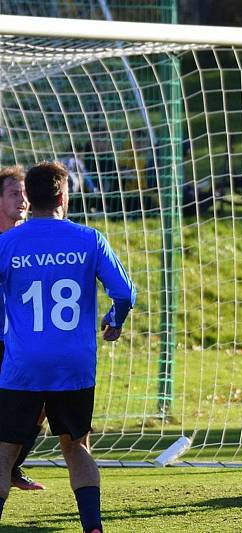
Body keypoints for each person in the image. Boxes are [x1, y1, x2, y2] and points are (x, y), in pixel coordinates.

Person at [0, 161, 136, 532]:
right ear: (63, 196)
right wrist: (115, 319)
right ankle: (92, 527)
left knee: (5, 452)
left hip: (22, 362)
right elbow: (124, 293)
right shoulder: (88, 239)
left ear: (30, 197)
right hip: (73, 364)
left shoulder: (7, 243)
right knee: (76, 446)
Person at [0, 167, 45, 491]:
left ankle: (12, 468)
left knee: (41, 405)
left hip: (24, 342)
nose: (23, 199)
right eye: (14, 193)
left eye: (25, 193)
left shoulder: (32, 241)